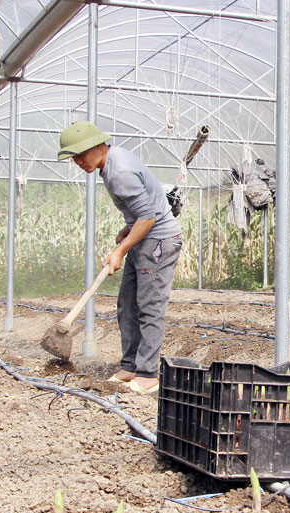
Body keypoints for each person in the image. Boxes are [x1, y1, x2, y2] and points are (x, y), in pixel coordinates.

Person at [57, 121, 183, 394]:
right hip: (145, 238)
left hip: (158, 242)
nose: (78, 161)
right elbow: (149, 206)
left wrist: (120, 250)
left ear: (97, 146)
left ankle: (148, 374)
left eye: (80, 154)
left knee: (149, 307)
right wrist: (127, 230)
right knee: (127, 304)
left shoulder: (120, 171)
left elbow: (148, 218)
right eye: (74, 157)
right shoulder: (111, 164)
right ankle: (130, 367)